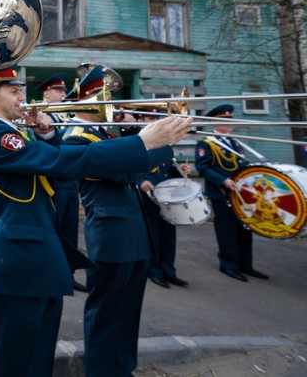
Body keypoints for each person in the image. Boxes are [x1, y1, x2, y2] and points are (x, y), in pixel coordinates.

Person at [0, 66, 192, 377]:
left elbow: (51, 171)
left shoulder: (15, 133)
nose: (22, 96)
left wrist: (45, 134)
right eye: (14, 91)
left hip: (36, 259)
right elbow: (65, 162)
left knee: (37, 363)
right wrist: (141, 143)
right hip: (18, 262)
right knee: (15, 366)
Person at [62, 65, 169, 377]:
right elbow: (125, 172)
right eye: (104, 95)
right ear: (85, 98)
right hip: (110, 236)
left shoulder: (105, 135)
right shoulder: (77, 139)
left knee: (129, 311)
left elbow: (138, 169)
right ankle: (101, 371)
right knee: (105, 313)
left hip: (134, 232)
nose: (112, 102)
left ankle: (123, 368)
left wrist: (143, 137)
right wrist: (154, 141)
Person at [195, 104, 268, 282]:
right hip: (221, 193)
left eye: (230, 119)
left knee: (244, 229)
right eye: (224, 120)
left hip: (240, 195)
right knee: (227, 230)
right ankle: (229, 265)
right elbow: (203, 168)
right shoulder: (207, 143)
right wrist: (223, 180)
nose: (229, 123)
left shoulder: (236, 143)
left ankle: (246, 265)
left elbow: (242, 165)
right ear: (214, 122)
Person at [36, 72, 86, 292]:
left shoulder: (68, 115)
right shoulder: (42, 114)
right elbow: (53, 147)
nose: (63, 94)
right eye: (59, 90)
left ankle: (68, 273)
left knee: (70, 230)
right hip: (53, 182)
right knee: (54, 229)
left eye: (64, 91)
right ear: (47, 93)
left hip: (70, 181)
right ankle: (52, 272)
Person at [134, 109, 192, 289]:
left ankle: (169, 271)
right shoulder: (137, 142)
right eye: (151, 118)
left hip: (167, 197)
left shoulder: (163, 141)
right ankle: (154, 271)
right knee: (153, 235)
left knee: (168, 236)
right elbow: (128, 167)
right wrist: (141, 180)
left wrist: (181, 171)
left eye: (156, 118)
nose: (155, 122)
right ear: (141, 119)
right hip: (148, 197)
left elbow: (168, 168)